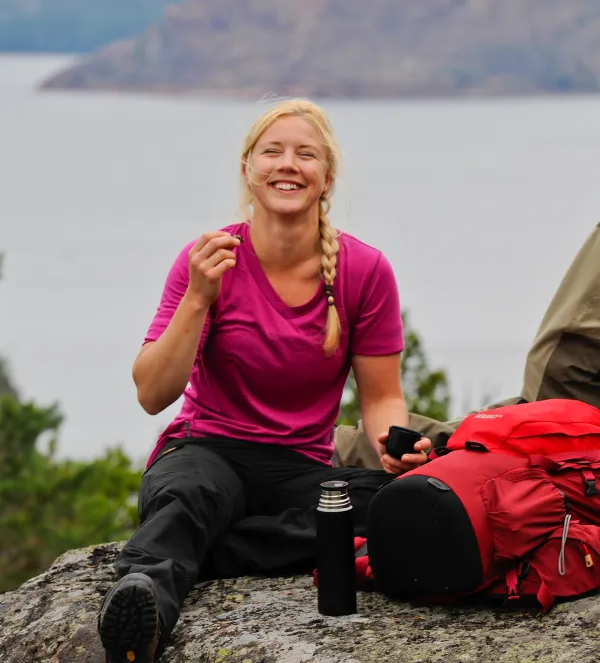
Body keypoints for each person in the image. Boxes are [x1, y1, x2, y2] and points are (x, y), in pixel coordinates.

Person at [97, 98, 431, 663]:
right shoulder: (206, 261)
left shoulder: (364, 271)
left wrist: (392, 446)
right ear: (247, 171)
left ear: (326, 178)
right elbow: (153, 393)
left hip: (298, 468)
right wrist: (199, 298)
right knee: (189, 495)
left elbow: (383, 397)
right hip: (206, 449)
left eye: (306, 154)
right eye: (271, 152)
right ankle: (142, 604)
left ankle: (209, 548)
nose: (288, 164)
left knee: (393, 505)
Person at [334, 221, 600, 469]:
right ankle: (327, 450)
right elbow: (564, 367)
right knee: (452, 447)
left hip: (563, 408)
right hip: (567, 414)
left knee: (453, 445)